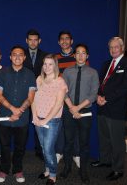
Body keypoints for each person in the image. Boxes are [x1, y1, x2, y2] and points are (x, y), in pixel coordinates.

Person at [91, 37, 127, 181]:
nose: (113, 50)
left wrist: (106, 98)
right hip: (102, 108)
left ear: (122, 48)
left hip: (116, 109)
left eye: (116, 47)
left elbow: (125, 88)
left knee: (117, 141)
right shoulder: (106, 64)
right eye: (111, 47)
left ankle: (118, 169)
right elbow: (100, 83)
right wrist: (98, 96)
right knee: (104, 137)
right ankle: (105, 160)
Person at [0, 46, 36, 183]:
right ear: (10, 57)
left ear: (25, 57)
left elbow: (30, 98)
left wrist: (19, 111)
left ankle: (18, 170)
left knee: (20, 147)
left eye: (20, 55)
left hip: (22, 119)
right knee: (4, 146)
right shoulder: (2, 73)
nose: (17, 57)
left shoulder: (30, 74)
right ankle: (4, 170)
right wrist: (13, 109)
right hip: (5, 117)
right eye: (14, 54)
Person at [59, 44, 99, 184]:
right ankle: (67, 168)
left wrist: (78, 108)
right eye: (78, 53)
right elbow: (63, 91)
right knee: (68, 142)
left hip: (85, 112)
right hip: (69, 111)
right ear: (74, 55)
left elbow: (93, 94)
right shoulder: (67, 72)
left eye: (83, 53)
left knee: (84, 144)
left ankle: (83, 171)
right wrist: (72, 108)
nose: (80, 55)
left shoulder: (93, 72)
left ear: (87, 56)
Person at [31, 54, 68, 185]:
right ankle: (47, 169)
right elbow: (33, 99)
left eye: (50, 64)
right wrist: (34, 115)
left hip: (52, 121)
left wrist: (45, 120)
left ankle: (52, 175)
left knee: (48, 148)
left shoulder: (60, 82)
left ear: (55, 65)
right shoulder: (39, 79)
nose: (47, 67)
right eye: (45, 64)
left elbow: (58, 104)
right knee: (42, 146)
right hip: (38, 119)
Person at [54, 31, 81, 167]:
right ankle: (59, 152)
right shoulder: (55, 58)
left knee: (75, 127)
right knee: (59, 127)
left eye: (67, 39)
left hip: (75, 99)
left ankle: (76, 154)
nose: (64, 41)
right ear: (59, 42)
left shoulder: (78, 56)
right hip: (59, 99)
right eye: (62, 39)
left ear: (71, 41)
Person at [23, 29, 48, 160]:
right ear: (26, 41)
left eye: (35, 40)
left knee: (40, 123)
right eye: (30, 40)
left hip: (40, 96)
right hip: (24, 96)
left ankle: (40, 150)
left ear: (39, 41)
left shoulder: (45, 56)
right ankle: (21, 150)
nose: (33, 42)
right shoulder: (20, 54)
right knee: (23, 125)